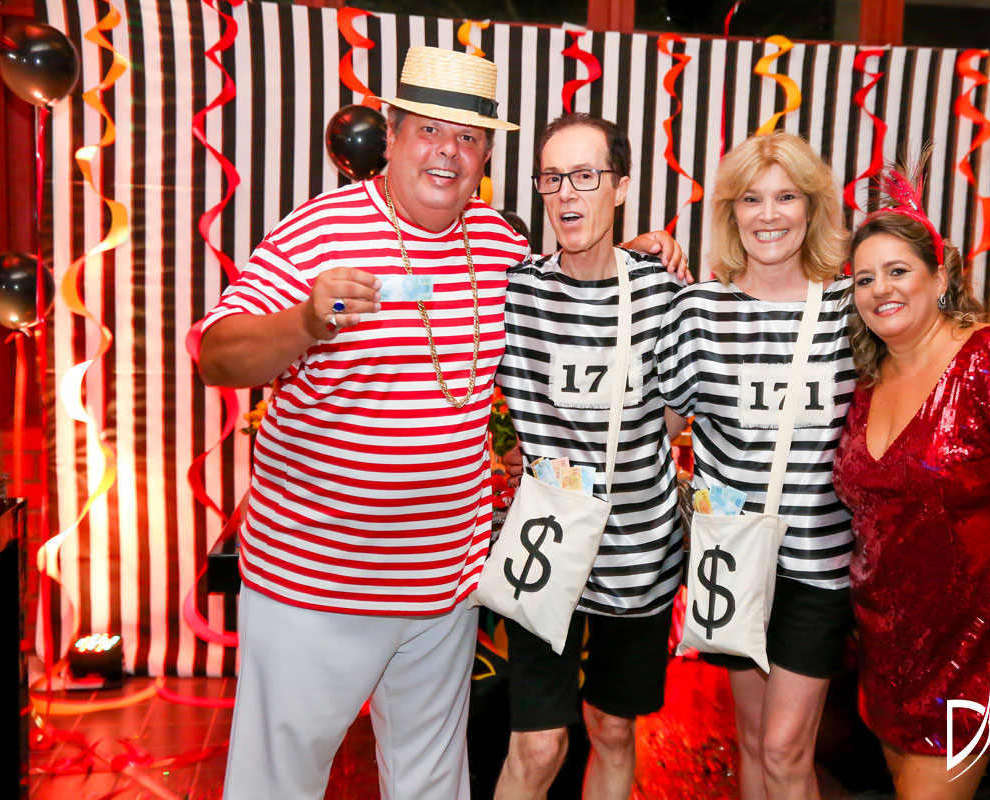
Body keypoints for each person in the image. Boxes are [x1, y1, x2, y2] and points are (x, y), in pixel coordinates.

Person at [198, 47, 684, 800]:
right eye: (428, 129)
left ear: (487, 156)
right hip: (317, 585)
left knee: (432, 783)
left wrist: (640, 253)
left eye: (468, 137)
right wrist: (304, 321)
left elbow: (575, 282)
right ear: (392, 135)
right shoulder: (318, 230)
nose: (447, 151)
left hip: (445, 587)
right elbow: (217, 356)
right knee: (277, 784)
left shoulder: (496, 244)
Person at [831, 160, 990, 798]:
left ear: (940, 277)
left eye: (898, 271)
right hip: (886, 645)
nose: (880, 289)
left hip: (977, 648)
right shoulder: (868, 381)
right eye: (864, 278)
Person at [492, 113, 688, 800]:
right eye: (552, 178)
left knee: (612, 727)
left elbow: (675, 414)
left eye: (585, 175)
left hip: (638, 552)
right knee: (537, 744)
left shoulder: (665, 293)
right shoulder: (516, 292)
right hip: (544, 545)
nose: (567, 193)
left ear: (621, 186)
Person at [656, 132, 855, 800]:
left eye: (786, 197)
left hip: (818, 566)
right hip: (733, 559)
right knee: (750, 739)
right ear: (731, 213)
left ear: (812, 208)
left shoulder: (848, 313)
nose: (768, 215)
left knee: (784, 748)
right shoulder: (698, 311)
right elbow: (657, 432)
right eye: (751, 199)